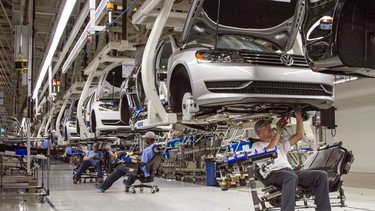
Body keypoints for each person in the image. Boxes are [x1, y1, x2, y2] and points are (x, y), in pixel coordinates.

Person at [252, 107, 331, 211]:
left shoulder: (279, 144)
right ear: (259, 133)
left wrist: (298, 116)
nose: (269, 127)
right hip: (272, 174)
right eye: (265, 127)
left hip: (289, 172)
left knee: (321, 175)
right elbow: (270, 150)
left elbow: (299, 135)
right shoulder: (256, 145)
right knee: (290, 176)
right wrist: (278, 133)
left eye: (269, 125)